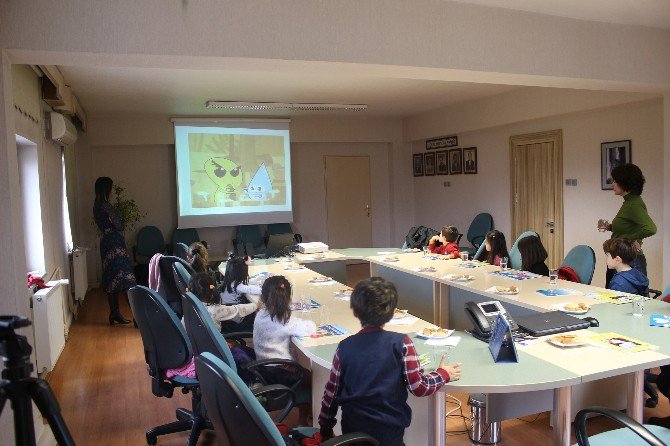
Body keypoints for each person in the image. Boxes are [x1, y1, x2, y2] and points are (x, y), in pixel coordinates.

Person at [318, 277, 462, 445]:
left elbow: (331, 393)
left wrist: (325, 427)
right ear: (392, 313)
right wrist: (443, 373)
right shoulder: (402, 343)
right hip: (389, 433)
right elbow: (419, 387)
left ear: (355, 311)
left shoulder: (344, 347)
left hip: (352, 432)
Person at [253, 275, 316, 424]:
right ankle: (304, 419)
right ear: (288, 298)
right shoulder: (284, 319)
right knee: (310, 377)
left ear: (263, 297)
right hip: (279, 371)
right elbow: (310, 328)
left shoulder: (260, 314)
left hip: (262, 367)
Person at [597, 164, 656, 288]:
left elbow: (650, 228)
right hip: (620, 258)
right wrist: (609, 227)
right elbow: (629, 226)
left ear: (625, 183)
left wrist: (629, 239)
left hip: (630, 261)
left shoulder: (634, 204)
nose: (612, 184)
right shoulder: (629, 202)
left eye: (615, 181)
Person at [93, 177, 135, 325]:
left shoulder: (96, 205)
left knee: (112, 278)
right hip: (114, 244)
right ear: (106, 189)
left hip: (106, 243)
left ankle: (114, 313)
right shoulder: (105, 205)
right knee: (127, 278)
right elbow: (119, 225)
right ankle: (137, 317)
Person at [219, 255, 261, 332]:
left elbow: (247, 286)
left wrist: (256, 282)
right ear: (242, 273)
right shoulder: (237, 286)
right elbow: (254, 290)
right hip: (237, 320)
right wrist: (266, 286)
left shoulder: (228, 281)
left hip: (228, 316)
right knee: (259, 307)